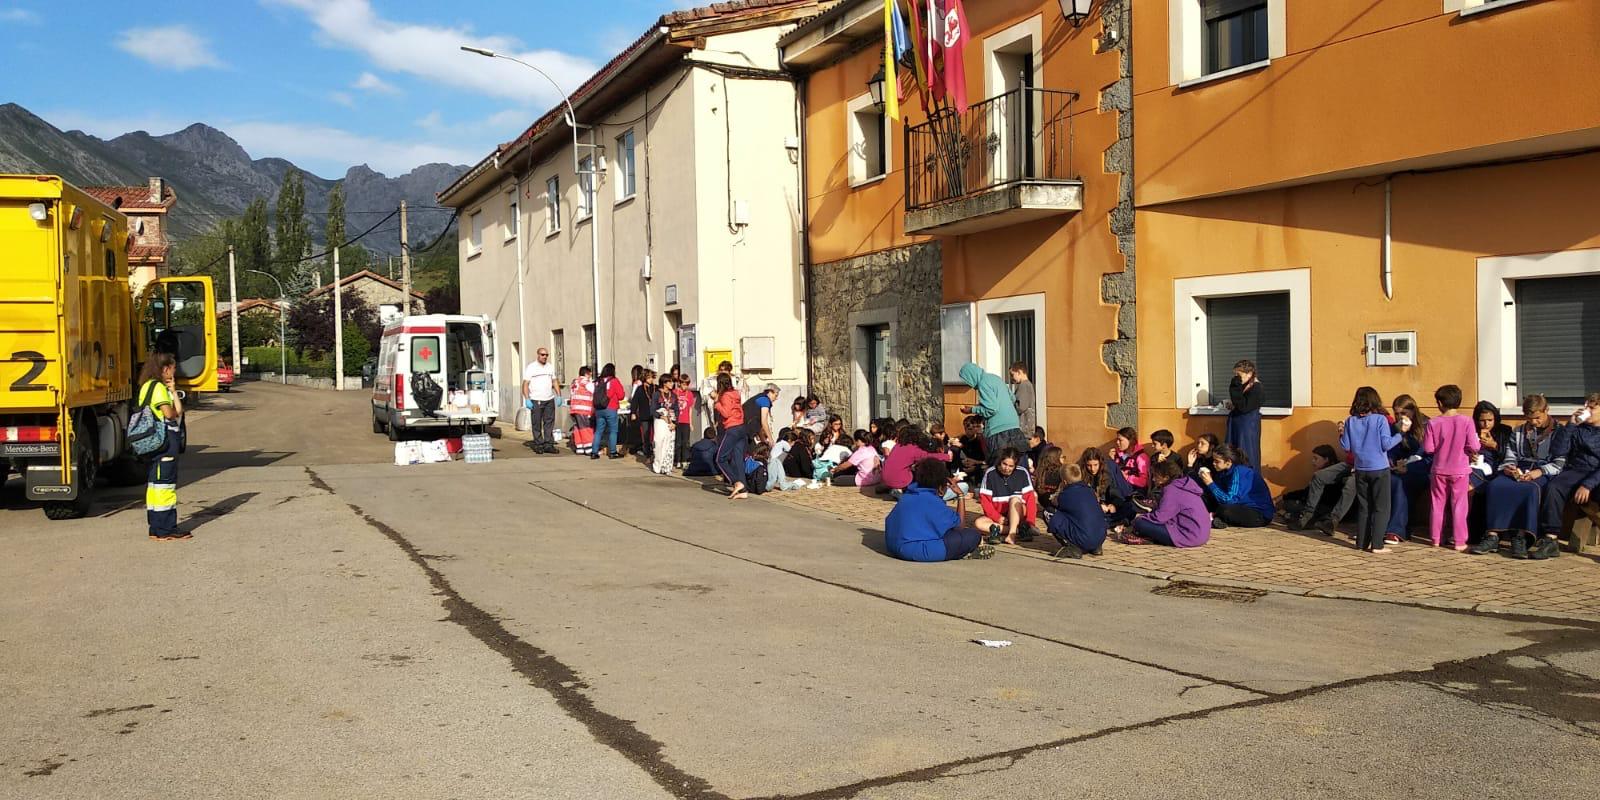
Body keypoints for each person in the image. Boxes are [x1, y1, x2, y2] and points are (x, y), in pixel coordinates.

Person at [1478, 394, 1566, 559]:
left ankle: (1522, 537)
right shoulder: (1519, 430)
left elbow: (1560, 462)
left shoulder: (1559, 432)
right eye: (1529, 418)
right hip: (1520, 467)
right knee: (1496, 486)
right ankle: (1492, 535)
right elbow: (1510, 454)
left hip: (1544, 470)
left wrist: (1538, 472)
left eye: (1537, 418)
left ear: (1547, 410)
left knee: (1529, 489)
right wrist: (1509, 468)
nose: (1533, 422)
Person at [884, 458, 994, 562]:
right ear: (941, 488)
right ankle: (962, 553)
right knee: (972, 535)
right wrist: (960, 495)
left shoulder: (908, 495)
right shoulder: (932, 501)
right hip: (915, 550)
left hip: (893, 546)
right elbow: (960, 525)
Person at [1341, 386, 1404, 554]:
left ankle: (1361, 543)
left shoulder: (1350, 421)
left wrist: (1341, 433)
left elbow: (1346, 446)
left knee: (1364, 507)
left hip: (1360, 468)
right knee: (1382, 507)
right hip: (1379, 468)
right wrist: (1400, 434)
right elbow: (1386, 444)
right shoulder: (1380, 419)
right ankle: (1377, 544)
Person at [1538, 392, 1600, 556]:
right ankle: (1551, 539)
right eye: (1586, 406)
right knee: (1554, 486)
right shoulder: (1578, 428)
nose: (1587, 410)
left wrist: (1587, 485)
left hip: (1597, 473)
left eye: (1592, 408)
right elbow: (1558, 451)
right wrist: (1571, 425)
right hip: (1576, 470)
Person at [1422, 384, 1479, 550]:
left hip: (1439, 469)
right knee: (1459, 505)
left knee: (1437, 504)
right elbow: (1474, 445)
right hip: (1460, 470)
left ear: (1440, 403)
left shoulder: (1433, 423)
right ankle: (1460, 541)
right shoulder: (1467, 421)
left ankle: (1435, 538)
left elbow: (1428, 448)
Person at [138, 352, 187, 540]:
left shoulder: (145, 387)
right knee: (165, 486)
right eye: (173, 369)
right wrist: (171, 400)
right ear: (165, 369)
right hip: (165, 441)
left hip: (152, 442)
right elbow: (171, 413)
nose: (174, 372)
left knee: (154, 485)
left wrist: (173, 390)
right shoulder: (158, 389)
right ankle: (166, 529)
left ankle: (155, 528)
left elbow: (178, 410)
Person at [1124, 460, 1210, 548]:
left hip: (1188, 536)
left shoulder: (1172, 490)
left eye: (1156, 476)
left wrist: (1140, 518)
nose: (1153, 479)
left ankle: (1150, 538)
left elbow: (1160, 517)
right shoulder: (1184, 485)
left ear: (1166, 478)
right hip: (1201, 535)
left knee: (1140, 523)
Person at [957, 362, 1025, 463]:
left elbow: (991, 409)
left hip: (999, 431)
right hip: (1014, 427)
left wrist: (972, 410)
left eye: (967, 380)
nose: (969, 384)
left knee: (999, 465)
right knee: (1018, 464)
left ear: (971, 376)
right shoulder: (995, 378)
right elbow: (1012, 398)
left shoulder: (983, 383)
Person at [1385, 394, 1431, 543]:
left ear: (1413, 411)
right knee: (1383, 480)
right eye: (1396, 413)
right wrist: (1391, 460)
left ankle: (1396, 530)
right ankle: (1376, 527)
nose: (1400, 417)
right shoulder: (1396, 427)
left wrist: (1410, 468)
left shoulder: (1427, 426)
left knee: (1402, 483)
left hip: (1422, 470)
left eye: (1403, 413)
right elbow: (1391, 449)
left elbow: (1429, 456)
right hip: (1400, 468)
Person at [1283, 444, 1353, 535]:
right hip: (1318, 504)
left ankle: (1326, 520)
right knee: (1291, 503)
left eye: (1316, 458)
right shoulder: (1324, 473)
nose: (1313, 462)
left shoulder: (1334, 476)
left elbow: (1315, 495)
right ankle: (1306, 517)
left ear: (1326, 459)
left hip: (1326, 507)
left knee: (1293, 505)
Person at [1200, 445, 1275, 528]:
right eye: (1213, 460)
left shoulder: (1240, 472)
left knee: (1224, 510)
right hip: (1238, 506)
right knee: (1204, 499)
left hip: (1259, 514)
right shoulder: (1223, 472)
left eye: (1217, 461)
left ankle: (1219, 518)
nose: (1213, 464)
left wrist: (1210, 483)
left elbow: (1229, 500)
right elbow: (1218, 494)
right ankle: (1218, 518)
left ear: (1228, 462)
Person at [975, 448, 1038, 546]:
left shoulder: (1022, 473)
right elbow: (985, 501)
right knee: (978, 524)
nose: (1006, 468)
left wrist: (1031, 522)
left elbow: (1030, 499)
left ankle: (1011, 535)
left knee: (1015, 499)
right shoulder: (990, 474)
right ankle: (1018, 530)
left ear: (1015, 466)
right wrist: (998, 517)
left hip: (1018, 512)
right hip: (999, 516)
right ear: (1000, 462)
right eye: (1004, 464)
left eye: (1011, 466)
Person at [1045, 463, 1108, 558]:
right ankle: (1095, 547)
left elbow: (1056, 505)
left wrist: (1058, 493)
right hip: (1100, 537)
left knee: (1048, 512)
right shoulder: (1090, 491)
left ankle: (1072, 548)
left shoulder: (1066, 495)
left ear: (1064, 482)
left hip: (1084, 538)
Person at [881, 426, 951, 492]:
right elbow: (927, 456)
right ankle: (902, 490)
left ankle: (893, 488)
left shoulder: (898, 446)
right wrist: (947, 456)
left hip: (885, 478)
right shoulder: (913, 449)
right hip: (901, 480)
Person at [713, 373, 749, 498]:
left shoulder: (724, 396)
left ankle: (736, 482)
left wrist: (717, 403)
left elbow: (726, 413)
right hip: (741, 426)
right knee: (738, 459)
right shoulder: (736, 393)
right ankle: (743, 490)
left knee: (720, 458)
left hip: (732, 428)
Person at [522, 346, 560, 454]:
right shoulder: (531, 367)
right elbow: (525, 384)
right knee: (537, 423)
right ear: (538, 355)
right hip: (536, 399)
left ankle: (548, 444)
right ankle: (538, 444)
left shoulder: (550, 367)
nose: (545, 357)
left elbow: (554, 381)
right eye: (543, 355)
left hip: (549, 399)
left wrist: (558, 395)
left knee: (549, 422)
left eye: (546, 355)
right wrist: (527, 399)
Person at [1227, 358, 1264, 469]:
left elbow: (1244, 407)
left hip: (1247, 428)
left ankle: (1248, 481)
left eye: (1239, 375)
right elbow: (1241, 403)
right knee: (1233, 454)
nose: (1237, 378)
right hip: (1238, 425)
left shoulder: (1257, 388)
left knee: (1246, 454)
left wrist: (1234, 387)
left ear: (1249, 374)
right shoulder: (1246, 386)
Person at [1109, 427, 1151, 501]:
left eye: (1120, 440)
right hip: (1119, 487)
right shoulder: (1118, 455)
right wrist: (1112, 459)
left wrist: (1127, 477)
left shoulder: (1141, 457)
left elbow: (1144, 482)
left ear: (1130, 440)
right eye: (1117, 440)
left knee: (1109, 465)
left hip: (1133, 490)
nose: (1117, 442)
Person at [650, 376, 679, 475]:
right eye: (670, 382)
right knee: (659, 442)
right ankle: (657, 465)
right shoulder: (657, 394)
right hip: (660, 420)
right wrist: (662, 416)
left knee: (669, 444)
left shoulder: (674, 395)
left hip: (671, 420)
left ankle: (666, 467)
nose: (672, 384)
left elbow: (676, 409)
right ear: (664, 383)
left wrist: (675, 423)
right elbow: (653, 410)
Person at [567, 366, 595, 456]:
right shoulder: (586, 382)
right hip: (583, 409)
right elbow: (595, 392)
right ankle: (588, 448)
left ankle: (579, 447)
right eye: (590, 373)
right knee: (586, 428)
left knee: (577, 428)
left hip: (574, 409)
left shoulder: (575, 382)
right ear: (586, 373)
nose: (591, 375)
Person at [1033, 445, 1066, 511]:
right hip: (1057, 506)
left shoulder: (1040, 471)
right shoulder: (1062, 472)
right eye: (1062, 457)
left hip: (1042, 506)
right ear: (1055, 458)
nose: (1064, 459)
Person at [673, 377, 696, 469]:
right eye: (683, 384)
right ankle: (677, 460)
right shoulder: (675, 392)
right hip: (677, 420)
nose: (685, 386)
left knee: (685, 442)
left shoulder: (689, 394)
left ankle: (684, 460)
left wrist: (691, 423)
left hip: (685, 421)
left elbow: (690, 409)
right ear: (679, 383)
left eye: (687, 384)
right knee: (678, 442)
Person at [1010, 362, 1037, 435]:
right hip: (1026, 429)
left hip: (1023, 429)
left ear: (1019, 372)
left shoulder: (1024, 385)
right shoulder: (1028, 385)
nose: (1012, 378)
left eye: (1012, 375)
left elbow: (1021, 407)